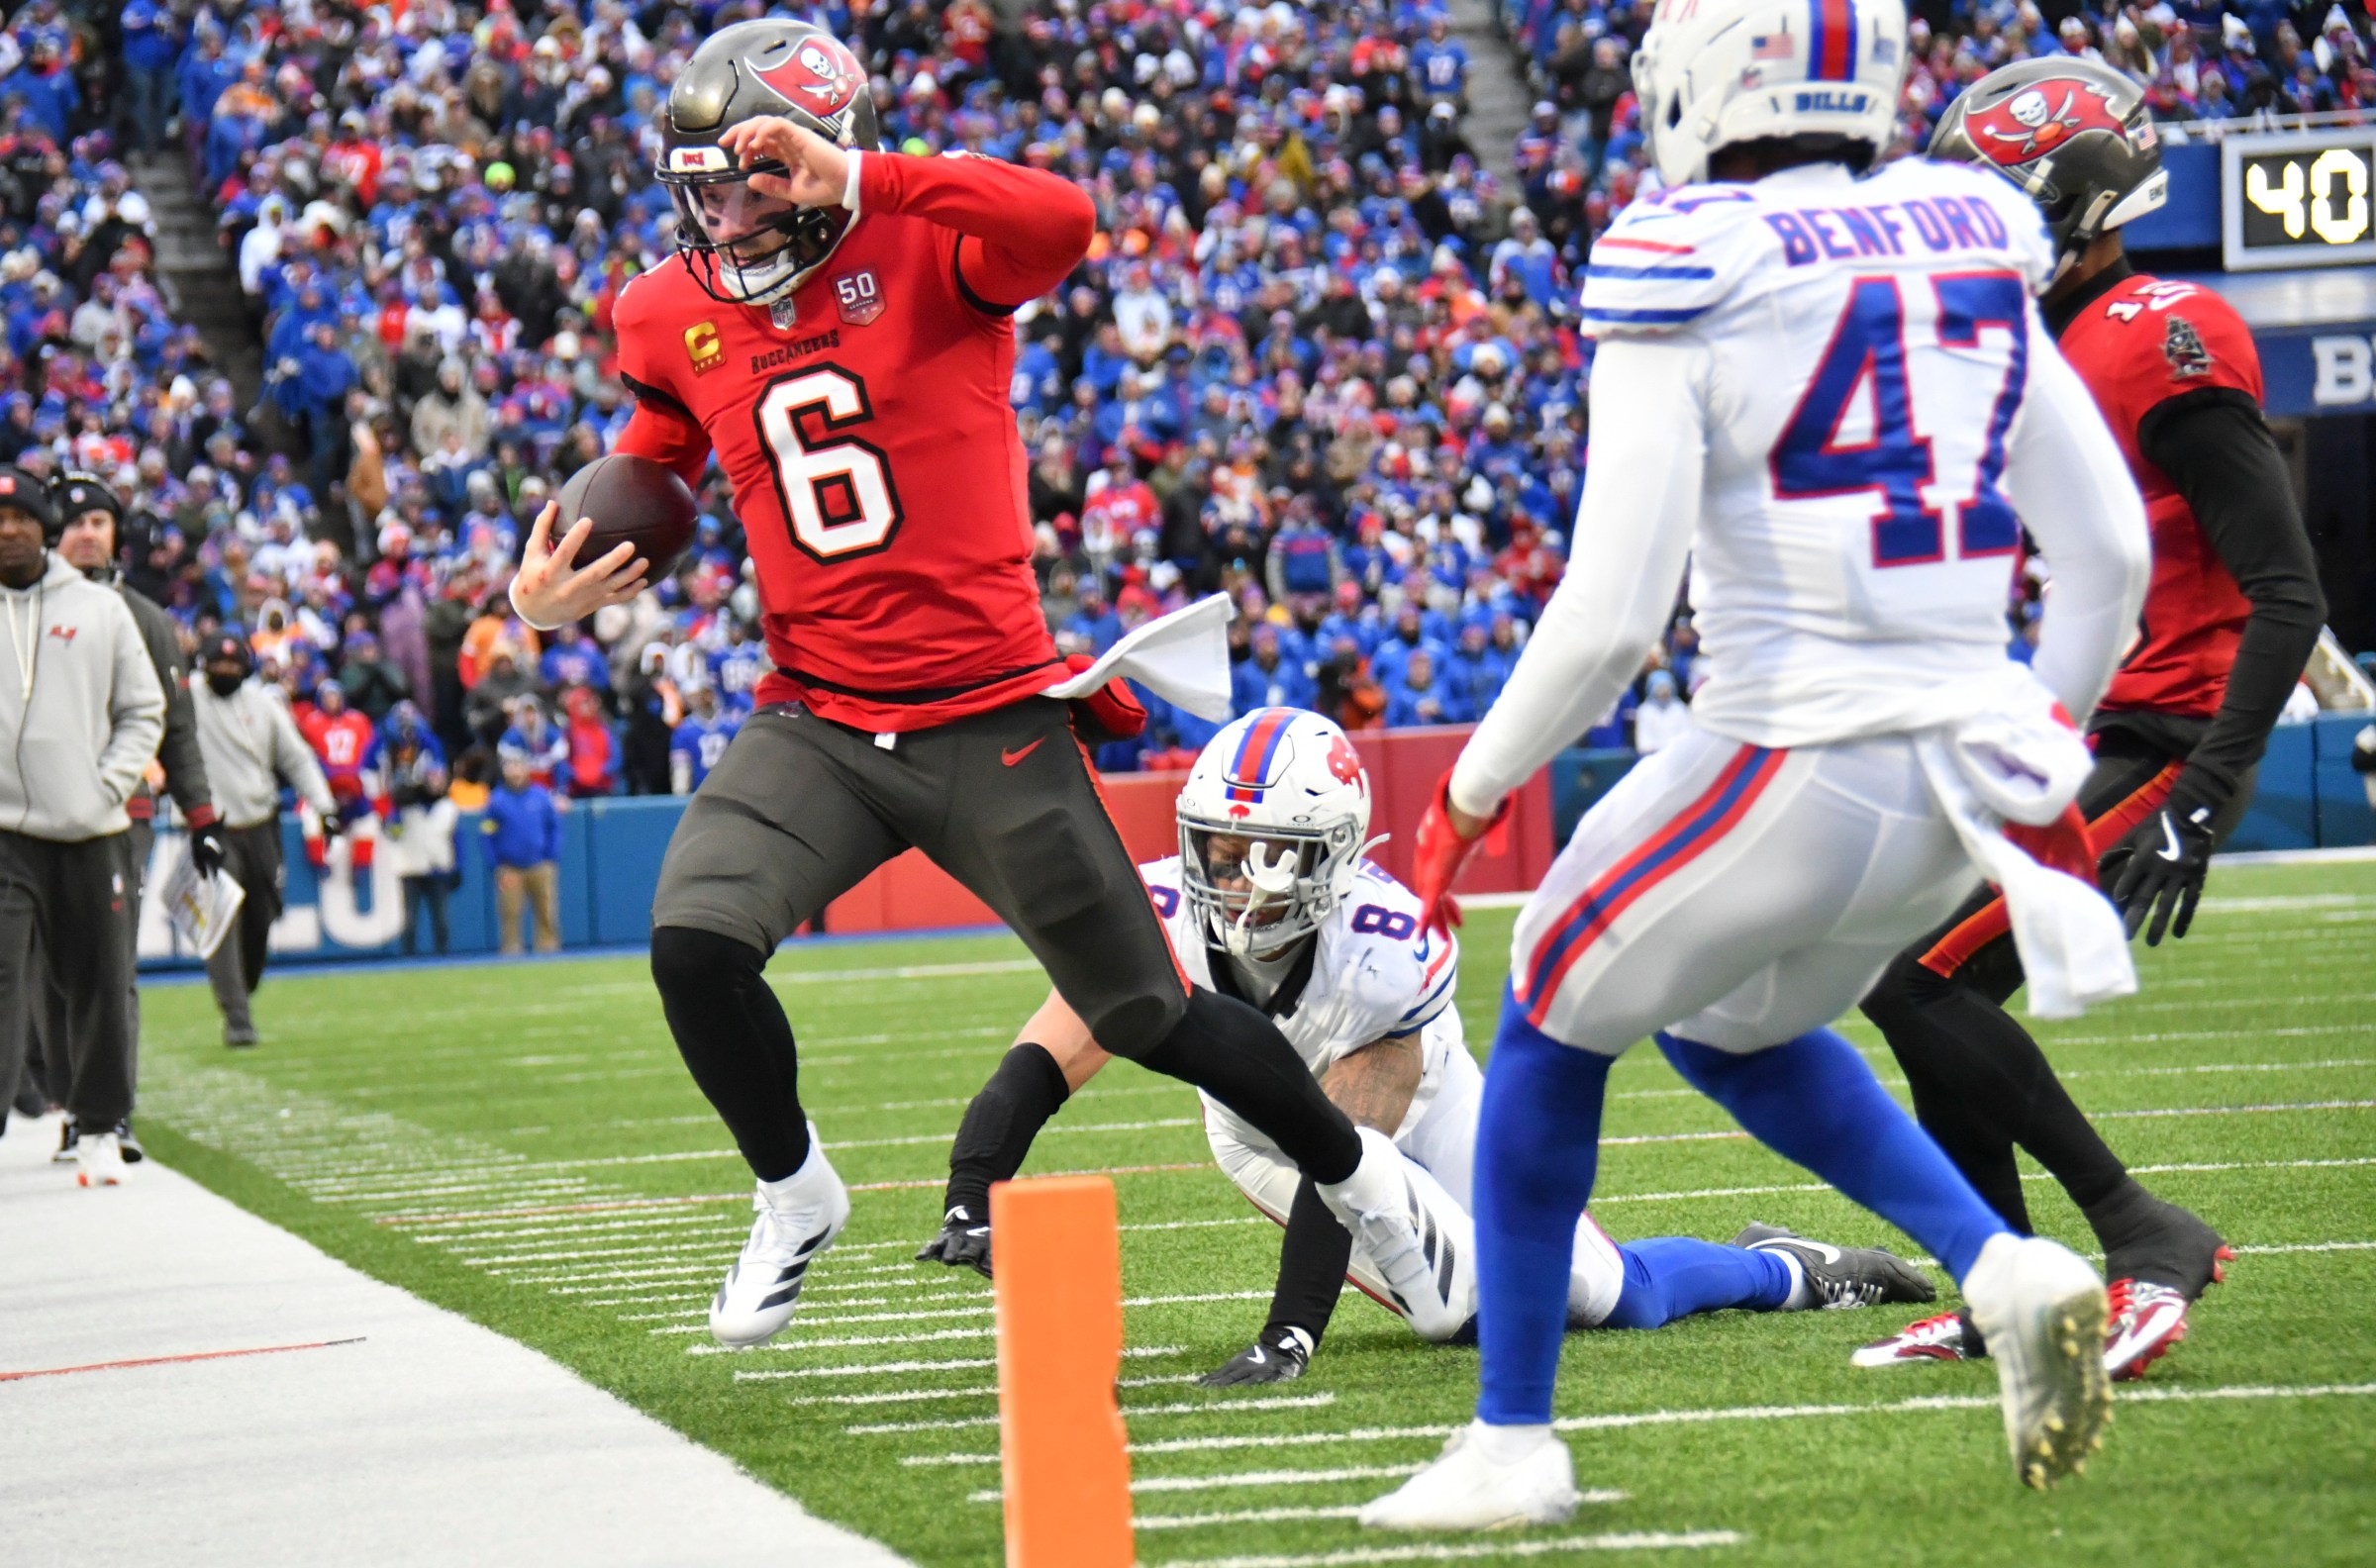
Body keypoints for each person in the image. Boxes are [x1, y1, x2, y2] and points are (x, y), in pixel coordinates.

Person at [508, 20, 1430, 1353]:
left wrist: (862, 177)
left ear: (809, 156)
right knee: (695, 945)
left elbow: (1065, 218)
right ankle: (793, 1194)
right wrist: (556, 587)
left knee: (1149, 1017)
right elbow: (657, 460)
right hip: (815, 712)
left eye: (742, 179)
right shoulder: (667, 308)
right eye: (698, 187)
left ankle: (1351, 1175)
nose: (716, 215)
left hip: (987, 712)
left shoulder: (924, 238)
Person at [1363, 0, 2153, 1527]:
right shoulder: (1976, 227)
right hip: (1952, 770)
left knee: (1544, 1009)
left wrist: (1467, 798)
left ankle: (1514, 1444)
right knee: (1723, 1028)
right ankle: (2008, 1267)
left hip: (1787, 749)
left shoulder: (1691, 252)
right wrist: (2037, 752)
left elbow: (1607, 620)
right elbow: (2108, 551)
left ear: (1709, 77)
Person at [921, 712, 1932, 1381]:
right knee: (1463, 1320)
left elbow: (1350, 1147)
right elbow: (1047, 1056)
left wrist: (1292, 1331)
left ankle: (1788, 1271)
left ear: (1333, 855)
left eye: (1266, 854)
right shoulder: (1155, 913)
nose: (1232, 877)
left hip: (1423, 1106)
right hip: (1260, 1139)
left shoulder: (1386, 951)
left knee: (1592, 1295)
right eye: (1218, 849)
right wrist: (973, 1189)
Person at [1854, 57, 2327, 1380]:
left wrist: (2199, 795)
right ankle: (2007, 1281)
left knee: (1914, 979)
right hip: (2114, 729)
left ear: (2074, 200)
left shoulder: (2158, 329)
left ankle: (2142, 1231)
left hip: (2176, 737)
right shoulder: (2054, 339)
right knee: (1921, 981)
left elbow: (2288, 593)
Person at [35, 471, 220, 1163]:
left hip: (121, 810)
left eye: (99, 522)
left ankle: (106, 1114)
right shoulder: (19, 611)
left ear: (116, 535)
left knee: (108, 963)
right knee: (46, 967)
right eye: (75, 522)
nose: (87, 532)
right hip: (28, 814)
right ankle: (69, 1104)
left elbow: (178, 726)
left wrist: (202, 816)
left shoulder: (144, 618)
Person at [0, 467, 164, 1185]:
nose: (9, 534)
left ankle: (100, 1124)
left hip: (92, 827)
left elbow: (143, 708)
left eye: (22, 522)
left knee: (98, 977)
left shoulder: (100, 610)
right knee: (4, 976)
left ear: (44, 530)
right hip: (5, 831)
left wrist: (108, 785)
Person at [190, 631, 340, 1046]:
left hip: (260, 823)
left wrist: (324, 806)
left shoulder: (263, 703)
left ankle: (244, 985)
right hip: (213, 825)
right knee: (221, 918)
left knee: (261, 918)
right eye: (216, 666)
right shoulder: (188, 700)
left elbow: (295, 757)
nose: (224, 672)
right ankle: (237, 1016)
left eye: (232, 667)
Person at [481, 747, 561, 955]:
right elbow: (487, 834)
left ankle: (548, 952)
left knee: (547, 913)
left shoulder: (541, 797)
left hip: (539, 864)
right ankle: (511, 954)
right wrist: (497, 865)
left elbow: (554, 827)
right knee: (509, 915)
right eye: (511, 767)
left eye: (519, 766)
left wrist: (551, 856)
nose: (516, 772)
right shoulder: (496, 800)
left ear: (526, 769)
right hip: (509, 868)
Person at [668, 682, 741, 795]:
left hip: (730, 791)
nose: (697, 700)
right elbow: (681, 771)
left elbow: (740, 762)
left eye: (701, 694)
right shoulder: (684, 731)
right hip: (699, 794)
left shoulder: (731, 726)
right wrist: (681, 796)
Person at [1631, 668, 1690, 754]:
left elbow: (1686, 734)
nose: (1663, 692)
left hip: (1677, 754)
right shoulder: (1645, 711)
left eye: (1666, 688)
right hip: (1652, 757)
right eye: (1659, 688)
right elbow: (1643, 741)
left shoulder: (1680, 709)